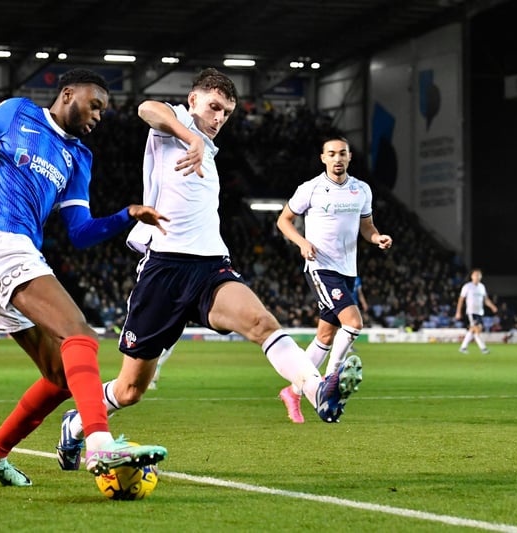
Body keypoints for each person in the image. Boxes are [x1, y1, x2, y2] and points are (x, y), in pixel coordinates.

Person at [56, 69, 363, 471]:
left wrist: (202, 144)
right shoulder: (175, 125)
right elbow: (146, 108)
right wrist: (191, 137)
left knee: (262, 322)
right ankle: (76, 425)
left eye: (227, 113)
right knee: (131, 390)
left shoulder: (211, 153)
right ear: (193, 100)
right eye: (214, 107)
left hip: (209, 267)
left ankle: (317, 389)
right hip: (163, 271)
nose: (219, 118)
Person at [0, 68, 169, 486]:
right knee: (78, 335)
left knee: (61, 377)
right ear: (68, 94)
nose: (99, 116)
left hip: (8, 258)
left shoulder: (79, 157)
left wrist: (126, 215)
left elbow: (79, 233)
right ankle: (99, 443)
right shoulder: (16, 113)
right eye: (94, 104)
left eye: (103, 110)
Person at [276, 136, 392, 423]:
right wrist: (302, 243)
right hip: (320, 267)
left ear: (350, 157)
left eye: (342, 153)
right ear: (323, 158)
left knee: (325, 336)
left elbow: (367, 226)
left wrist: (377, 237)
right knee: (353, 323)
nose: (337, 158)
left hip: (347, 269)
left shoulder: (361, 190)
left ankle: (293, 391)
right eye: (332, 153)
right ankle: (330, 379)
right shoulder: (311, 189)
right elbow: (283, 220)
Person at [454, 268, 497, 354]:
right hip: (471, 312)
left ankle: (463, 347)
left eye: (479, 275)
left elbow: (486, 300)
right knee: (477, 329)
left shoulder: (482, 287)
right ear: (472, 276)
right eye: (476, 275)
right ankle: (483, 348)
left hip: (480, 312)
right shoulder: (467, 286)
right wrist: (458, 312)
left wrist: (492, 306)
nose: (477, 276)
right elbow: (461, 299)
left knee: (473, 330)